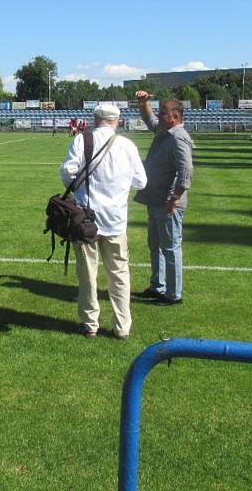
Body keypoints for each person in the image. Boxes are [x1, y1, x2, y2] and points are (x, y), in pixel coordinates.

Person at [59, 104, 146, 339]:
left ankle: (90, 324)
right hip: (116, 218)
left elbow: (67, 171)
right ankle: (122, 327)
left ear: (95, 119)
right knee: (119, 274)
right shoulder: (127, 145)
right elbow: (141, 182)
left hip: (85, 218)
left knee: (87, 273)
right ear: (117, 121)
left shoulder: (82, 140)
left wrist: (80, 188)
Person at [133, 91, 194, 306]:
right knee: (156, 245)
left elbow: (186, 172)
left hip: (169, 203)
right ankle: (157, 286)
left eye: (163, 113)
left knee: (170, 248)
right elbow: (150, 121)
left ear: (175, 117)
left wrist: (174, 199)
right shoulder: (164, 130)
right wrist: (144, 103)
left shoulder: (178, 137)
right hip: (155, 199)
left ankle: (173, 294)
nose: (159, 116)